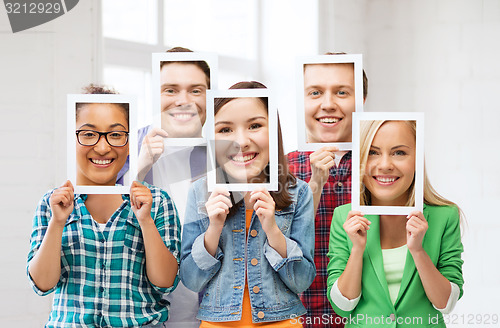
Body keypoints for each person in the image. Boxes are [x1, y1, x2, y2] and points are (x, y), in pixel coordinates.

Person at [27, 84, 181, 327]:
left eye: (116, 134)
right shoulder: (51, 203)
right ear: (72, 138)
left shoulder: (157, 201)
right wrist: (57, 222)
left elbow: (165, 281)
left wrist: (146, 221)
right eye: (88, 134)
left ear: (130, 141)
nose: (102, 147)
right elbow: (42, 284)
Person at [180, 81, 316, 326]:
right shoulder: (200, 193)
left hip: (283, 321)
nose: (241, 141)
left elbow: (302, 280)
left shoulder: (299, 192)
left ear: (273, 130)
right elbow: (191, 279)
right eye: (225, 130)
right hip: (218, 323)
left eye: (255, 126)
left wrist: (273, 230)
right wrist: (213, 229)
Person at [327, 120, 464, 327]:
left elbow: (446, 303)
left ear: (417, 159)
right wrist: (357, 249)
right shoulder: (343, 217)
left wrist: (418, 251)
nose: (385, 165)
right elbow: (342, 306)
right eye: (373, 152)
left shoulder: (445, 216)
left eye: (399, 153)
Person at [117, 46, 211, 328]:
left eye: (196, 90)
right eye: (170, 90)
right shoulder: (124, 145)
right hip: (142, 314)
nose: (183, 100)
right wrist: (140, 167)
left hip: (209, 314)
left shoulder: (226, 155)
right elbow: (100, 222)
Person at [287, 53, 368, 327]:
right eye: (315, 92)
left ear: (362, 101)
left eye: (342, 92)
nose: (328, 104)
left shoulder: (383, 170)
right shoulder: (277, 170)